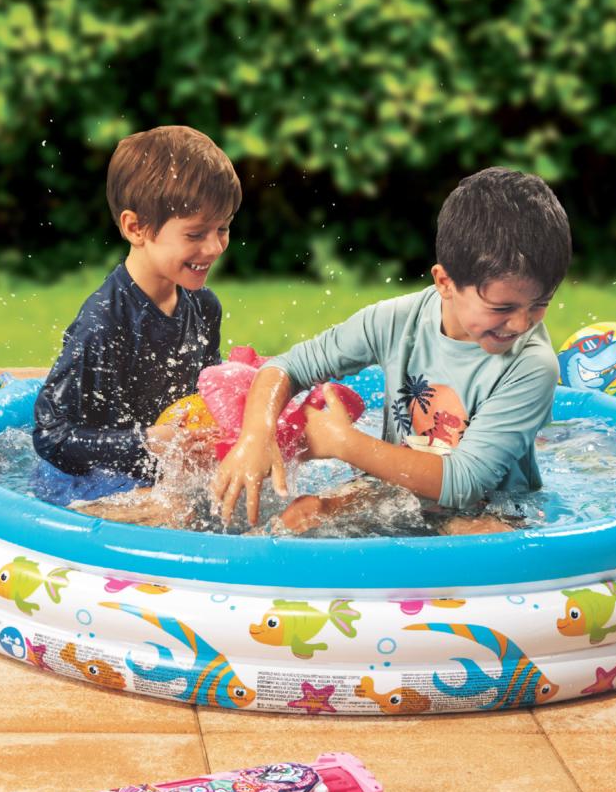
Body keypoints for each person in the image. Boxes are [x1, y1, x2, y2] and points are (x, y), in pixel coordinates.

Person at [211, 166, 571, 536]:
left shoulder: (533, 365)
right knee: (304, 515)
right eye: (502, 307)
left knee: (481, 537)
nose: (522, 323)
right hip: (395, 491)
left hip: (492, 509)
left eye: (540, 304)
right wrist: (257, 435)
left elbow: (466, 483)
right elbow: (288, 367)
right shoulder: (399, 321)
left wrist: (344, 443)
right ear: (445, 282)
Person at [32, 125, 240, 505]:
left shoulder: (204, 307)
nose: (215, 247)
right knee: (181, 510)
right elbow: (51, 436)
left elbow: (207, 394)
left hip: (155, 473)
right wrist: (147, 441)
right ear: (136, 227)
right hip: (82, 482)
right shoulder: (103, 322)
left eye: (222, 228)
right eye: (195, 234)